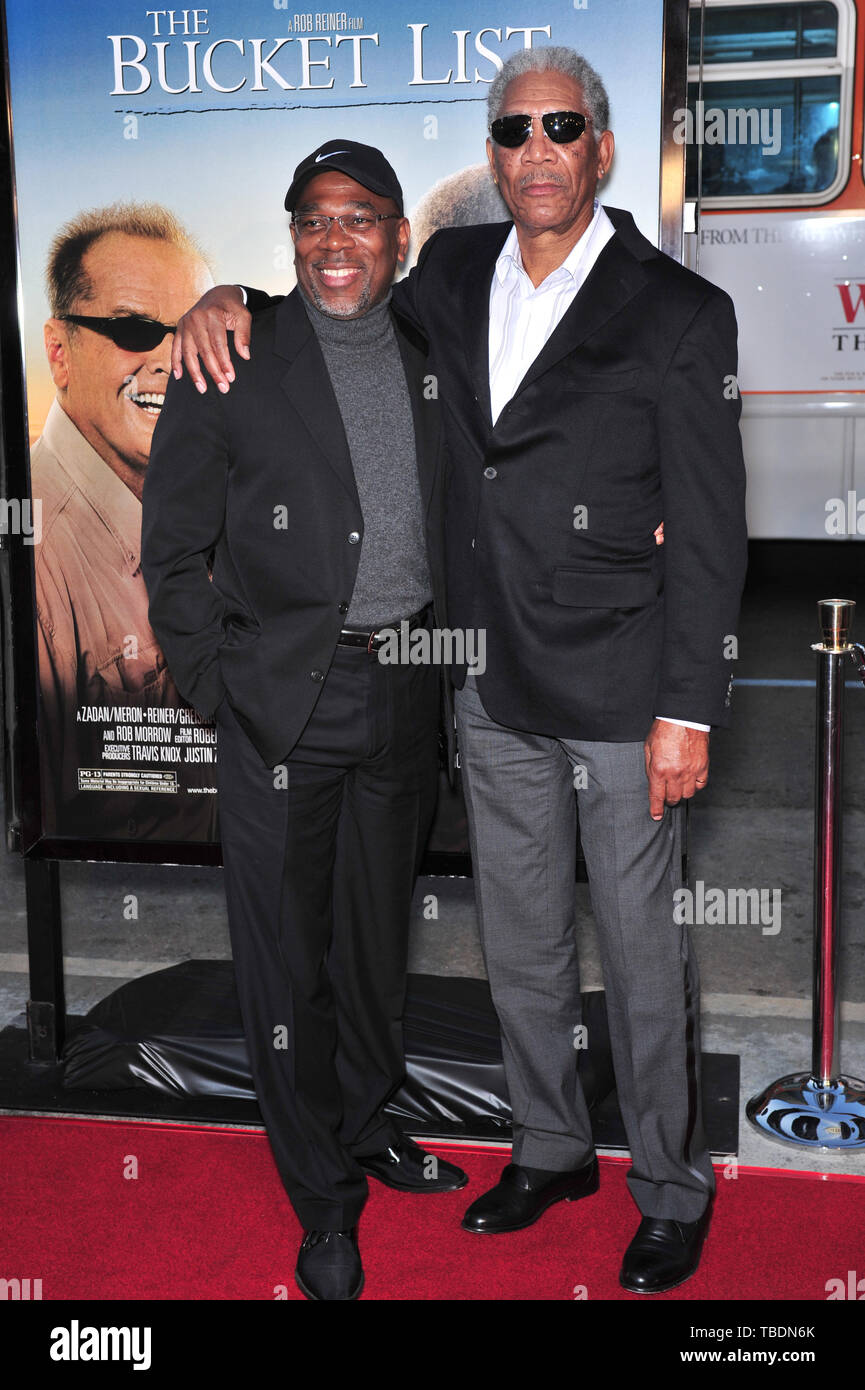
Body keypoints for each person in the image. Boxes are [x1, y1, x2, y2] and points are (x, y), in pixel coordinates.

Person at [170, 45, 748, 1295]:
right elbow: (328, 296)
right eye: (512, 132)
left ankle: (667, 1182)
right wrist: (217, 294)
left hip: (619, 685)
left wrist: (687, 705)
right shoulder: (451, 271)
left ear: (598, 145)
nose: (535, 151)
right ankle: (547, 1147)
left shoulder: (679, 311)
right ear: (491, 156)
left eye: (560, 128)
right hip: (482, 682)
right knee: (523, 937)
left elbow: (708, 527)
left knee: (642, 947)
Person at [141, 141, 467, 1302]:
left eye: (362, 220)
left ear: (398, 239)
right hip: (284, 700)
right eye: (315, 222)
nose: (337, 243)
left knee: (377, 944)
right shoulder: (231, 354)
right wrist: (223, 691)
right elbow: (171, 555)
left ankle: (370, 1118)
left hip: (406, 693)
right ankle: (322, 1197)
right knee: (288, 965)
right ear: (292, 239)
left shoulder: (435, 346)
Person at [32, 202, 218, 840]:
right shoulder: (34, 560)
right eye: (134, 329)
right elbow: (41, 834)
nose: (170, 360)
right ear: (59, 353)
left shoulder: (202, 503)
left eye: (188, 332)